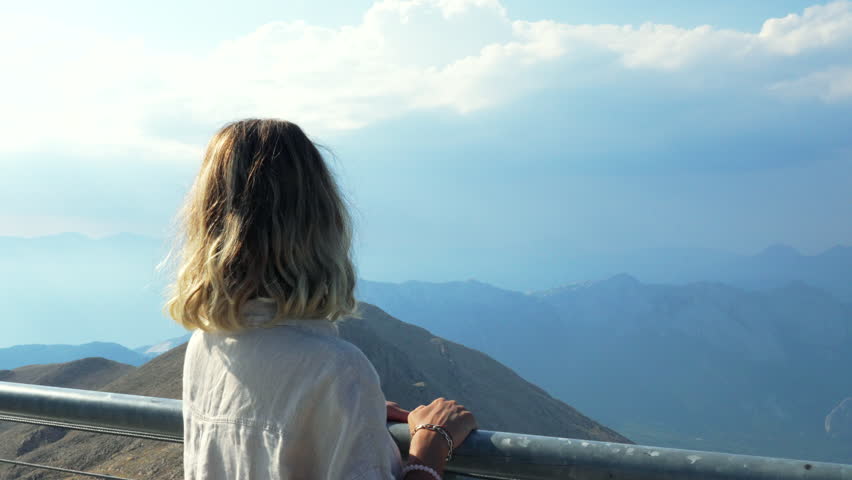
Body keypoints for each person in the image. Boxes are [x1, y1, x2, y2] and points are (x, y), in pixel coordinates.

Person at [166, 118, 477, 479]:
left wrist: (353, 409)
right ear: (323, 220)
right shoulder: (336, 369)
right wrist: (431, 445)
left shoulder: (205, 347)